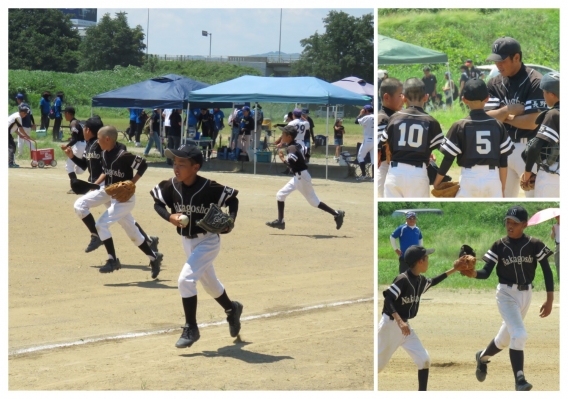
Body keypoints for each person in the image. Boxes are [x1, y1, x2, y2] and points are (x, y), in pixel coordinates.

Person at [150, 145, 243, 348]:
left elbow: (232, 199)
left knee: (185, 280)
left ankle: (191, 327)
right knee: (210, 285)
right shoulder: (171, 186)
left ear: (195, 167)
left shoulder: (208, 187)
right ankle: (232, 309)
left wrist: (231, 220)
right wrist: (169, 216)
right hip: (187, 241)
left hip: (208, 240)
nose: (176, 167)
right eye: (175, 163)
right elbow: (157, 202)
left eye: (182, 164)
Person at [466, 205, 554, 391]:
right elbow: (486, 272)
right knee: (520, 334)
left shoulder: (534, 243)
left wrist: (550, 299)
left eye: (514, 223)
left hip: (526, 295)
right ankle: (519, 380)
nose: (509, 225)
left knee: (505, 339)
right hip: (506, 294)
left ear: (524, 224)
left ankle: (481, 357)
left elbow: (547, 272)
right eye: (507, 221)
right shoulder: (499, 245)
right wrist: (473, 274)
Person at [64, 117, 159, 255]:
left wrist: (131, 182)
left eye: (84, 128)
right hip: (102, 185)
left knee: (111, 216)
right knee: (124, 219)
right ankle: (149, 242)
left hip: (108, 184)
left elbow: (122, 155)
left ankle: (98, 238)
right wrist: (72, 157)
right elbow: (86, 165)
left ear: (88, 130)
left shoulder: (106, 146)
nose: (83, 130)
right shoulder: (90, 145)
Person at [378, 245, 467, 391]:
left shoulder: (419, 280)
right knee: (377, 367)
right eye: (427, 258)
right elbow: (388, 300)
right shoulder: (403, 279)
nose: (428, 260)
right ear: (420, 261)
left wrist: (455, 269)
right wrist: (400, 322)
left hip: (405, 329)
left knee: (424, 360)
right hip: (390, 327)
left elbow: (433, 281)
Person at [95, 126, 163, 278]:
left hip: (125, 200)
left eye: (99, 139)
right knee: (133, 232)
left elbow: (143, 164)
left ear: (107, 139)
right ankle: (154, 257)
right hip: (114, 197)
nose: (97, 141)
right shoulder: (104, 154)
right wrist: (95, 185)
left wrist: (132, 183)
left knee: (101, 224)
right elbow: (106, 172)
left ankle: (112, 259)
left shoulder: (123, 155)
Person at [483, 37, 547, 198]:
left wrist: (502, 116)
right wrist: (508, 111)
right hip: (502, 148)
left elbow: (532, 122)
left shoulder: (535, 81)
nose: (498, 65)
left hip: (528, 150)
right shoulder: (494, 83)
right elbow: (484, 119)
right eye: (496, 60)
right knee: (501, 196)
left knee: (533, 196)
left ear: (516, 57)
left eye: (502, 60)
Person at [433, 79, 514, 197]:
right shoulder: (497, 125)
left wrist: (437, 181)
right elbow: (503, 161)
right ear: (487, 98)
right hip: (492, 178)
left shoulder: (460, 125)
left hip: (468, 177)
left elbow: (448, 158)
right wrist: (502, 187)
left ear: (464, 100)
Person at [265, 125, 345, 230]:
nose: (281, 136)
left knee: (314, 202)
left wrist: (282, 158)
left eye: (283, 134)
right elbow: (303, 154)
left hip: (302, 177)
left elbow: (291, 163)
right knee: (280, 195)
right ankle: (281, 221)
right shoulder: (294, 145)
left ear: (289, 137)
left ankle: (336, 214)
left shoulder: (291, 147)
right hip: (298, 176)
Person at [380, 78, 444, 198]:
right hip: (418, 174)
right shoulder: (431, 121)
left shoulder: (394, 118)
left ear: (403, 97)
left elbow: (382, 144)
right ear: (426, 97)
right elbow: (446, 151)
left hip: (395, 172)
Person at [521, 72, 559, 198]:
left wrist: (527, 173)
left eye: (544, 92)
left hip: (553, 173)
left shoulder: (553, 114)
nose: (543, 95)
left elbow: (535, 147)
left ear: (552, 94)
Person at [377, 78, 404, 198]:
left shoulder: (396, 116)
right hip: (386, 167)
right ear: (387, 97)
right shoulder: (383, 118)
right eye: (400, 95)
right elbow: (381, 146)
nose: (403, 98)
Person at [60, 106, 87, 194]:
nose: (64, 115)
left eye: (65, 113)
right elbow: (77, 136)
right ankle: (85, 166)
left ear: (68, 114)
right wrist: (71, 138)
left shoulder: (73, 123)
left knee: (69, 166)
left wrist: (67, 146)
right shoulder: (78, 121)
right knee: (78, 169)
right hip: (84, 144)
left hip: (79, 145)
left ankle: (75, 187)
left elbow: (75, 139)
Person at [355, 104, 375, 181]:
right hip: (376, 140)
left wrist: (360, 114)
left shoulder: (367, 117)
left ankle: (363, 175)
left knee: (360, 157)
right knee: (374, 160)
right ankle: (373, 177)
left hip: (368, 140)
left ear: (366, 111)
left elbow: (356, 121)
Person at [550, 216, 560, 281]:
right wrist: (553, 231)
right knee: (557, 262)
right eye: (557, 217)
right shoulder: (554, 226)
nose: (558, 218)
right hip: (558, 245)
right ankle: (559, 278)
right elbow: (552, 237)